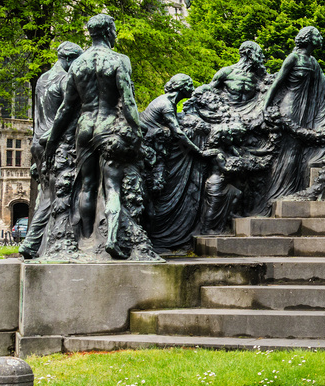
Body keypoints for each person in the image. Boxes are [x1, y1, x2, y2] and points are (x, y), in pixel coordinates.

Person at [42, 14, 156, 260]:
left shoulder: (77, 64)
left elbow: (66, 108)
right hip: (109, 127)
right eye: (114, 29)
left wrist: (52, 141)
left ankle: (86, 239)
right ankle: (112, 239)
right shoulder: (119, 60)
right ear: (107, 31)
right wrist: (137, 133)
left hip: (84, 128)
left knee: (88, 186)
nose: (116, 34)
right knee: (112, 186)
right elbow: (128, 101)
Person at [261, 26, 325, 203]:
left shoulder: (312, 62)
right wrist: (266, 108)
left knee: (297, 151)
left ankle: (292, 188)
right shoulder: (293, 58)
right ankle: (277, 193)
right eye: (317, 35)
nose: (320, 37)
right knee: (288, 150)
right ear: (309, 38)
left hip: (306, 109)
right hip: (290, 106)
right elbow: (277, 84)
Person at [18, 41, 82, 259]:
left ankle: (38, 241)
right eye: (76, 61)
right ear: (68, 59)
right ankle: (33, 241)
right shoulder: (65, 80)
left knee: (48, 193)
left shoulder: (42, 79)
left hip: (37, 143)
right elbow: (68, 113)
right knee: (53, 195)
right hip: (54, 143)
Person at [141, 74, 209, 251]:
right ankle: (149, 241)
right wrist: (199, 151)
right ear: (182, 87)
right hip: (151, 154)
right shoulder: (165, 104)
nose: (192, 89)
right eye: (190, 85)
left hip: (156, 150)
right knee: (154, 192)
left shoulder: (168, 102)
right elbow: (178, 132)